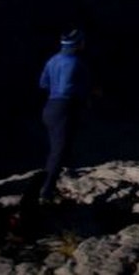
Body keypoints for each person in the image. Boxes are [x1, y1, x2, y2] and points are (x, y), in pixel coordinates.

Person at [37, 29, 91, 203]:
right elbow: (69, 87)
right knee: (58, 151)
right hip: (64, 107)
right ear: (78, 44)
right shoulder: (75, 62)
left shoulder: (53, 60)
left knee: (59, 148)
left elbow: (43, 83)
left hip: (50, 106)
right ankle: (46, 192)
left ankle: (51, 184)